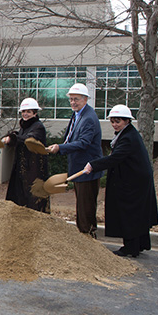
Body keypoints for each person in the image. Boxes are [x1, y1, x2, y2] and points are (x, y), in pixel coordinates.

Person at [83, 105, 158, 257]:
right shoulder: (126, 134)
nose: (115, 124)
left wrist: (93, 165)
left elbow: (115, 158)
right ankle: (141, 244)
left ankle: (130, 247)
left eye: (118, 121)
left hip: (135, 182)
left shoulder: (128, 138)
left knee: (130, 213)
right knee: (138, 213)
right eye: (112, 121)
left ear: (127, 121)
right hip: (135, 178)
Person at [47, 83, 103, 237]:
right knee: (82, 204)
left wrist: (60, 148)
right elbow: (70, 136)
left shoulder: (89, 118)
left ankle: (88, 235)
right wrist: (60, 146)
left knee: (86, 205)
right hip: (79, 167)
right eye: (71, 99)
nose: (73, 102)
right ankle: (85, 233)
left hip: (87, 170)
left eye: (76, 99)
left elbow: (84, 143)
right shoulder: (78, 114)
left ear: (85, 99)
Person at [2, 97, 49, 212]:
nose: (25, 114)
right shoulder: (24, 126)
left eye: (28, 112)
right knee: (20, 197)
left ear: (35, 113)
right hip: (22, 170)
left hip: (34, 171)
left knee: (34, 200)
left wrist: (13, 138)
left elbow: (28, 140)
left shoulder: (38, 127)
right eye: (23, 111)